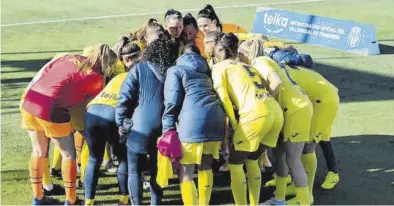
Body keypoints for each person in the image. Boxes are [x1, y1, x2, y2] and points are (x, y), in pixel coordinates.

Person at [20, 44, 118, 205]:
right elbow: (89, 104)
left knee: (38, 151)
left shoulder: (70, 57)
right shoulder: (96, 78)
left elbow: (47, 71)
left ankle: (38, 198)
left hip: (31, 98)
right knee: (69, 155)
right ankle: (71, 200)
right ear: (107, 64)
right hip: (51, 106)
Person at [238, 39, 313, 206]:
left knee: (293, 160)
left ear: (246, 55)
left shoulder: (260, 62)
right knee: (278, 154)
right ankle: (280, 199)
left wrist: (267, 99)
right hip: (289, 110)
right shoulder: (265, 61)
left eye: (241, 55)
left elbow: (276, 81)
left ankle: (304, 201)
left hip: (296, 110)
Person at [210, 33, 283, 205]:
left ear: (220, 50)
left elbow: (224, 99)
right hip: (275, 113)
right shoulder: (245, 65)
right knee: (252, 160)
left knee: (235, 164)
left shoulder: (220, 68)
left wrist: (235, 124)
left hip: (254, 115)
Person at [162, 44, 226, 205]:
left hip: (192, 123)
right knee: (206, 165)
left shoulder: (175, 70)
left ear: (180, 56)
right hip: (215, 118)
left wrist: (167, 129)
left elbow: (172, 101)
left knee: (186, 171)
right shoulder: (208, 70)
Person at [115, 38, 177, 205]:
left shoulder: (139, 69)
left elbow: (124, 98)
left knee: (134, 170)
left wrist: (121, 122)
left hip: (139, 128)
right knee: (158, 170)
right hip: (164, 129)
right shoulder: (173, 72)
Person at [84, 36, 141, 205]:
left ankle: (88, 202)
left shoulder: (119, 76)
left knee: (94, 159)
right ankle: (123, 200)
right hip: (112, 114)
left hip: (93, 111)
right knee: (123, 158)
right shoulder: (138, 79)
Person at [282, 60, 340, 205]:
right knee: (305, 143)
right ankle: (297, 186)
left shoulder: (271, 70)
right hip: (318, 98)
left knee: (308, 145)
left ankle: (307, 195)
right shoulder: (276, 66)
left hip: (323, 101)